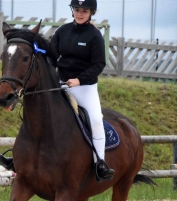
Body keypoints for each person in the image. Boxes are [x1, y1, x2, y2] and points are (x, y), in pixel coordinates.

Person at [50, 0, 115, 181]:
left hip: (84, 87)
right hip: (61, 83)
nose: (80, 13)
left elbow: (99, 64)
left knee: (95, 119)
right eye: (77, 10)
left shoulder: (94, 36)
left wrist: (79, 80)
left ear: (91, 12)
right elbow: (52, 55)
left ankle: (100, 162)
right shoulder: (62, 31)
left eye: (84, 10)